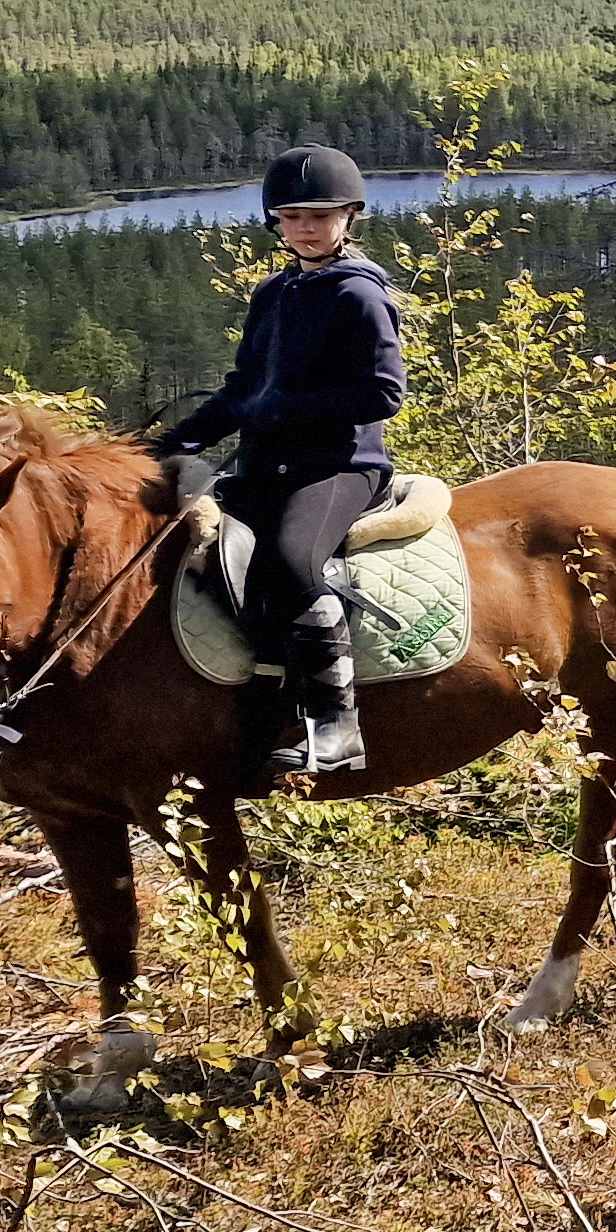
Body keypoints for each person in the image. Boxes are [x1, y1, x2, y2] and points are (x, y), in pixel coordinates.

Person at [150, 145, 408, 776]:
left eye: (319, 216)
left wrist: (286, 407)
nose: (305, 228)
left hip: (339, 467)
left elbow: (384, 393)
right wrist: (179, 441)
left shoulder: (359, 295)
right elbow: (244, 389)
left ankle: (333, 723)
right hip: (267, 467)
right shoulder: (274, 293)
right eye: (291, 217)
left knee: (292, 563)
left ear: (349, 216)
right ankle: (254, 706)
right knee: (201, 558)